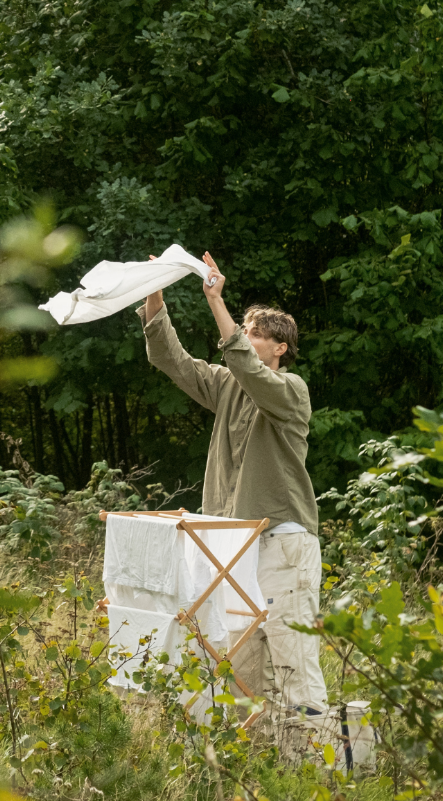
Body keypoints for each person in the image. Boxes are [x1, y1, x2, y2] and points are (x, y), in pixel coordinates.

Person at [138, 251, 327, 738]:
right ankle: (262, 763)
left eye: (256, 333)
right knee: (237, 659)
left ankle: (315, 768)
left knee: (293, 658)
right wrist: (155, 286)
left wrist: (215, 300)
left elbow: (243, 364)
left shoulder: (292, 391)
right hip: (233, 546)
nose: (246, 337)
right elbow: (170, 360)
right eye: (244, 329)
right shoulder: (225, 386)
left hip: (283, 542)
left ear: (280, 347)